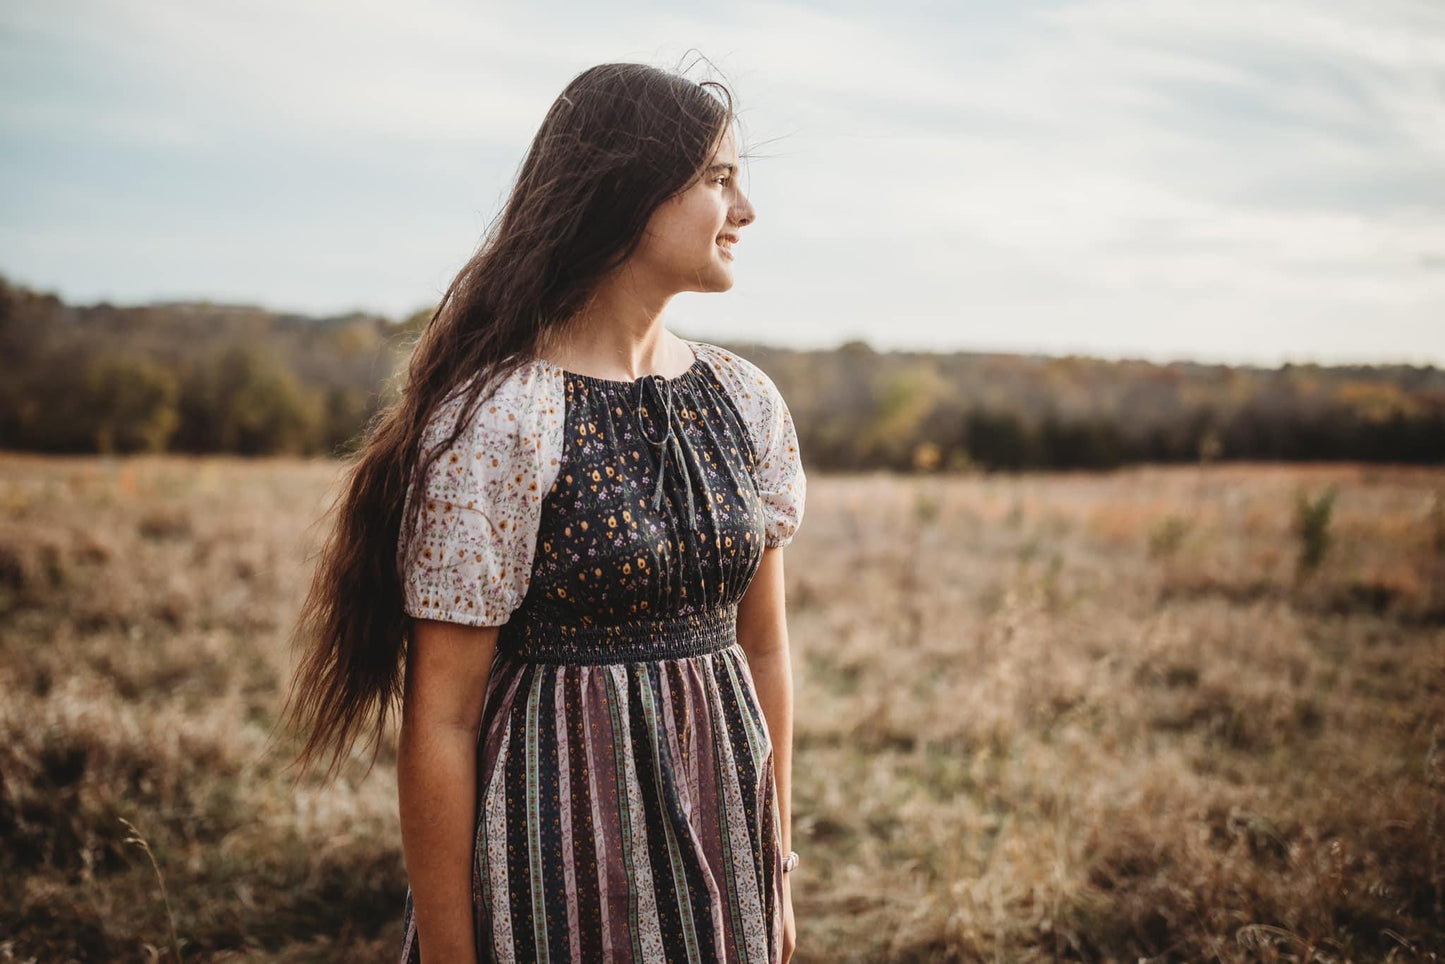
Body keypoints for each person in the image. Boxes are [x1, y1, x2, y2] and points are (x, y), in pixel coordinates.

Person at [280, 61, 806, 962]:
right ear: (628, 193)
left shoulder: (743, 399)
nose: (745, 211)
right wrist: (451, 951)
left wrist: (773, 864)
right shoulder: (502, 417)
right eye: (719, 179)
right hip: (557, 857)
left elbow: (761, 647)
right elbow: (441, 717)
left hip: (722, 841)